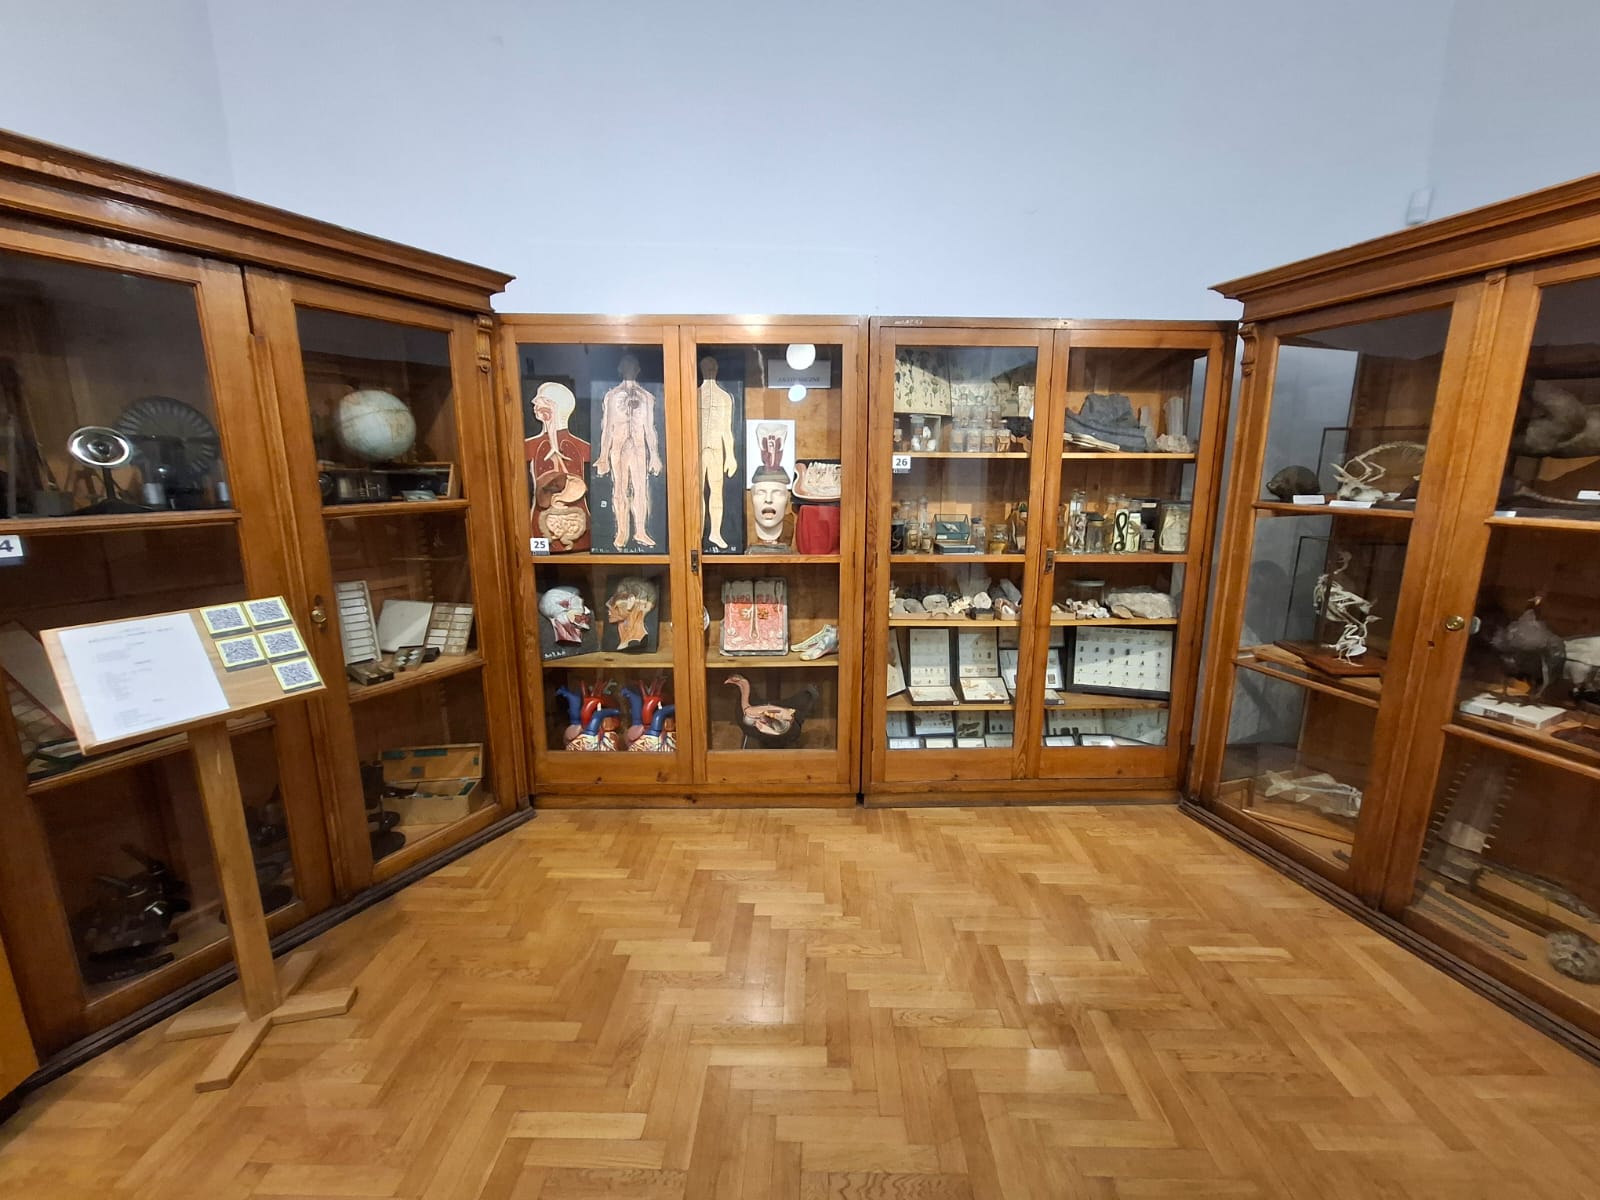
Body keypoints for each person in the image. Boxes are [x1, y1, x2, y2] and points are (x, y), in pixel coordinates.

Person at [595, 354, 662, 549]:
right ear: (620, 369)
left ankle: (640, 531)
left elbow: (650, 429)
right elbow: (607, 428)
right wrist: (603, 456)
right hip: (618, 447)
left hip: (639, 448)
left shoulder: (646, 397)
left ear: (638, 369)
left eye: (633, 366)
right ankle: (622, 532)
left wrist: (655, 456)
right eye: (626, 366)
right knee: (619, 489)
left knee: (641, 489)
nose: (630, 369)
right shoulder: (611, 396)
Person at [525, 381, 590, 551]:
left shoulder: (578, 446)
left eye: (541, 400)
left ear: (555, 407)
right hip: (542, 526)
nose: (534, 403)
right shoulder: (532, 446)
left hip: (578, 523)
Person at [698, 356, 738, 548]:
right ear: (700, 368)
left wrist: (730, 456)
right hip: (697, 450)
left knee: (716, 491)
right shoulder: (694, 395)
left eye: (713, 366)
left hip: (716, 448)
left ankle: (715, 533)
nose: (710, 370)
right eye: (706, 367)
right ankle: (697, 532)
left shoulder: (724, 397)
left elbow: (727, 430)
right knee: (697, 492)